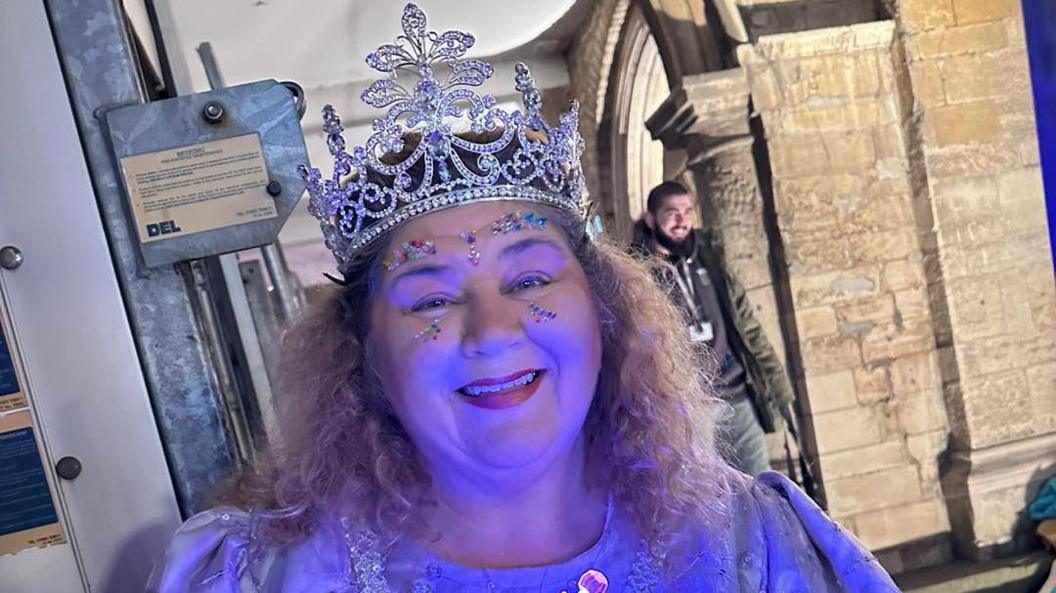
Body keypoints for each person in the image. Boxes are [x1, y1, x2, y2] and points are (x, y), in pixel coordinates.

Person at [147, 5, 898, 592]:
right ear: (361, 351)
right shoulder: (252, 577)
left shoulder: (758, 546)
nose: (493, 330)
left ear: (605, 313)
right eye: (429, 298)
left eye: (531, 279)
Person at [631, 182, 794, 477]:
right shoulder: (639, 273)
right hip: (693, 407)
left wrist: (778, 385)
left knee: (762, 485)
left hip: (738, 396)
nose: (682, 221)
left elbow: (746, 324)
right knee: (711, 493)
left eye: (687, 211)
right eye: (671, 213)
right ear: (650, 219)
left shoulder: (710, 258)